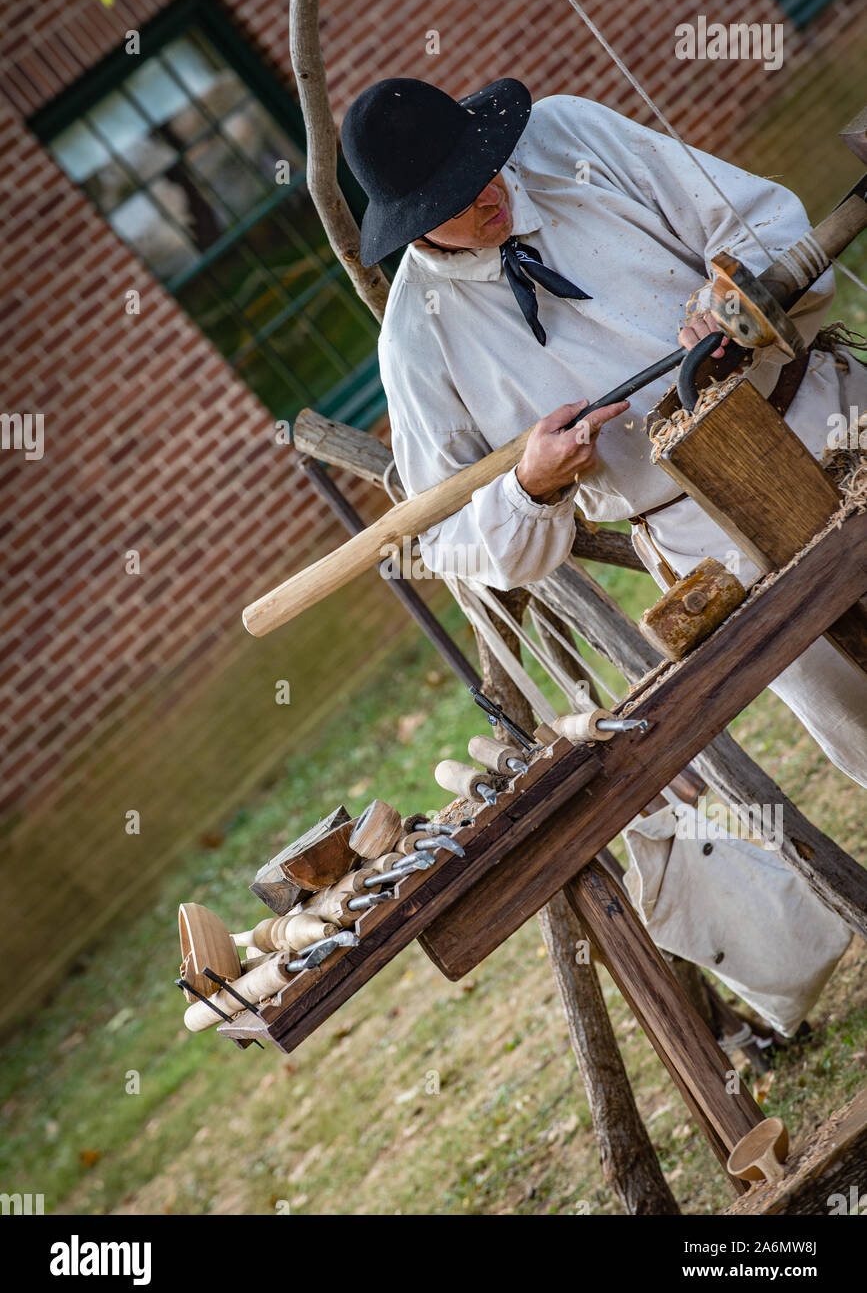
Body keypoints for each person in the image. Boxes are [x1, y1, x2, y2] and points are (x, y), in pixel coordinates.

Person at [341, 77, 867, 786]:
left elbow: (754, 218)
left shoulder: (569, 137)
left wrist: (730, 292)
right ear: (411, 221)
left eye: (480, 171)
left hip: (827, 420)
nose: (485, 199)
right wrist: (531, 487)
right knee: (855, 706)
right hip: (710, 535)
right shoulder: (415, 337)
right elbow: (446, 539)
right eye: (454, 203)